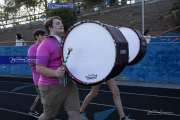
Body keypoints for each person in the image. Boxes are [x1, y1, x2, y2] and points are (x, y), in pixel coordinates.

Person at [36, 16, 80, 120]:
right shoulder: (45, 45)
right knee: (49, 116)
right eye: (57, 23)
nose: (61, 25)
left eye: (61, 23)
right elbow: (39, 68)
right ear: (50, 28)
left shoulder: (64, 41)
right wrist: (55, 73)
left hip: (68, 83)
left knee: (75, 113)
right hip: (51, 86)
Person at [27, 29, 46, 115]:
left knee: (44, 97)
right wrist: (43, 60)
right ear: (37, 36)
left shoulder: (45, 47)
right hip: (38, 78)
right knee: (42, 97)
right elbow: (30, 63)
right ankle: (32, 110)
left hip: (46, 76)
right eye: (42, 35)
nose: (45, 37)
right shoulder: (32, 48)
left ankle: (45, 113)